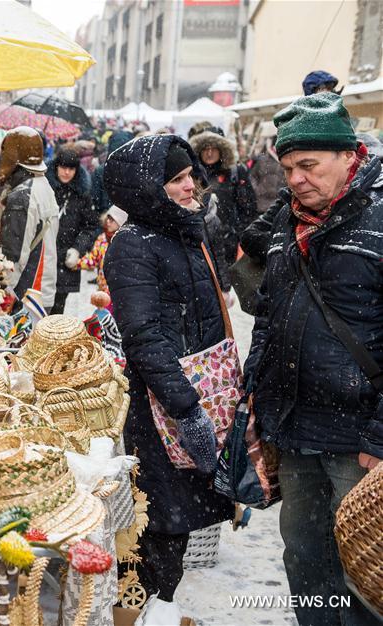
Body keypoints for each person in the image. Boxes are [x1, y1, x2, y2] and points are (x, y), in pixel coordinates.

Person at [244, 92, 381, 626]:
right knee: (305, 559)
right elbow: (270, 317)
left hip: (359, 439)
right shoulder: (287, 222)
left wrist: (380, 437)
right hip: (296, 427)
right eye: (287, 167)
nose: (296, 178)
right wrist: (256, 396)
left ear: (348, 157)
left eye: (309, 165)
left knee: (364, 571)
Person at [102, 135, 234, 621]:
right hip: (158, 408)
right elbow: (144, 338)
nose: (189, 187)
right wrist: (187, 408)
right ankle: (137, 612)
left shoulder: (185, 232)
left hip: (193, 395)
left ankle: (159, 608)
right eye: (176, 179)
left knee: (175, 520)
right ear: (147, 189)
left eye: (189, 177)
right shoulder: (133, 247)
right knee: (158, 520)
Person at [0, 126, 60, 311]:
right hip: (38, 290)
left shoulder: (23, 195)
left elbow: (12, 258)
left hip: (25, 293)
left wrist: (0, 292)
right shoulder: (41, 184)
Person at [189, 125, 258, 288]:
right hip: (201, 240)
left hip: (228, 242)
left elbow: (248, 206)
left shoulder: (235, 172)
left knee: (224, 285)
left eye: (214, 148)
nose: (210, 152)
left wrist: (239, 233)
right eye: (205, 148)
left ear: (222, 150)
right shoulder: (192, 174)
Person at [46, 146, 99, 314]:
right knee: (37, 305)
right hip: (43, 255)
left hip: (66, 257)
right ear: (56, 167)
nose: (67, 172)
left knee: (58, 306)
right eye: (63, 167)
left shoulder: (82, 194)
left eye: (71, 169)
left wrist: (77, 249)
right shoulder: (46, 189)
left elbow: (90, 226)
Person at [79, 205, 127, 295]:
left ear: (120, 222)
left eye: (112, 220)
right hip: (103, 292)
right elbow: (93, 259)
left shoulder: (126, 241)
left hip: (120, 292)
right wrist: (76, 262)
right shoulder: (102, 239)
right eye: (107, 218)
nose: (108, 222)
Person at [91, 129, 134, 214]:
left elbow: (95, 199)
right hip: (118, 218)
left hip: (106, 217)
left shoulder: (101, 170)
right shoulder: (133, 171)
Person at [249, 121, 286, 214]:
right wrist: (257, 190)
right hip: (262, 203)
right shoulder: (263, 160)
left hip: (282, 204)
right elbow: (252, 176)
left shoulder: (288, 159)